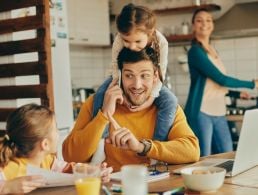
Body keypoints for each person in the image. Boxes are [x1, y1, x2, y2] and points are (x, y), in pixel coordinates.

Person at [63, 47, 200, 172]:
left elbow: (192, 151)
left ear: (155, 77)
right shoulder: (95, 104)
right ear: (119, 76)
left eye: (144, 75)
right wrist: (104, 115)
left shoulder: (167, 108)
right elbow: (70, 156)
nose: (137, 85)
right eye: (129, 75)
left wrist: (142, 147)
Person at [93, 3, 177, 142]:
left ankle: (157, 143)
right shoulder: (119, 39)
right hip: (120, 76)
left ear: (150, 33)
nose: (132, 47)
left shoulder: (161, 43)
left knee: (170, 100)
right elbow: (115, 67)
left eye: (138, 41)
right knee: (101, 93)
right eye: (127, 41)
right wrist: (121, 91)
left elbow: (160, 74)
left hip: (153, 82)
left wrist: (150, 99)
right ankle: (101, 140)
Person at [184, 8, 258, 156]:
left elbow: (215, 84)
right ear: (193, 26)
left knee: (228, 155)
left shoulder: (213, 51)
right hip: (201, 112)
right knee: (204, 157)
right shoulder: (195, 52)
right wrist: (252, 84)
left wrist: (236, 94)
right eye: (199, 20)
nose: (204, 23)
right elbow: (221, 79)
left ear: (213, 24)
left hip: (219, 111)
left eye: (208, 20)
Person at [0, 104, 112, 186]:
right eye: (56, 129)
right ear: (45, 144)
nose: (58, 133)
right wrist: (6, 187)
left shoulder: (46, 160)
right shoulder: (8, 168)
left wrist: (92, 171)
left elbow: (66, 169)